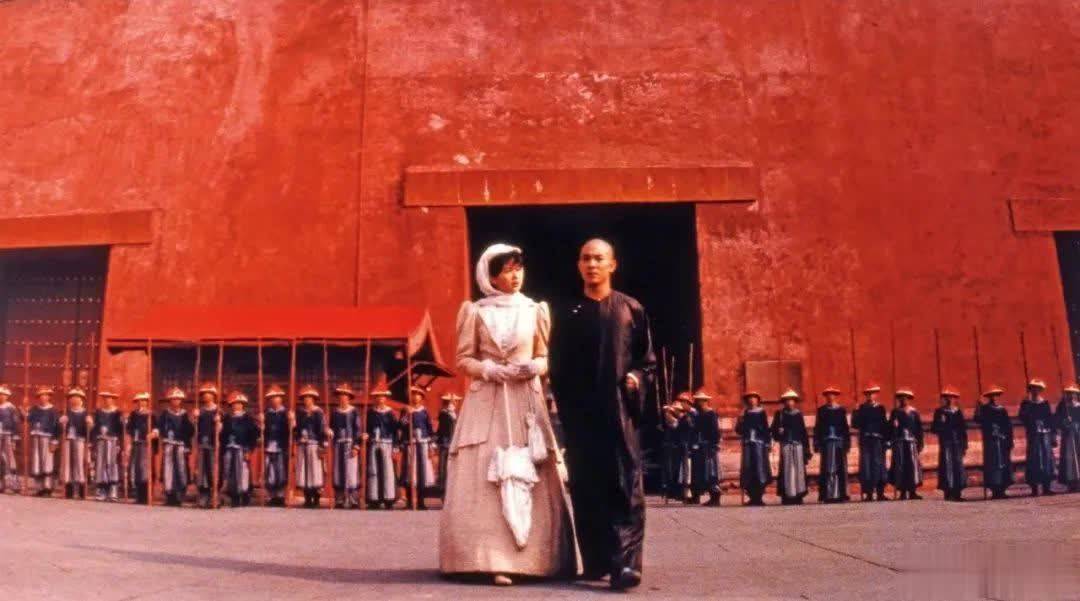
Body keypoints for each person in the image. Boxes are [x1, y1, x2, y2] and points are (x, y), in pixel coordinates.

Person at [441, 243, 578, 586]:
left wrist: (535, 367)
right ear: (492, 277)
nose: (515, 276)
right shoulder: (476, 311)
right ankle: (488, 558)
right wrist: (488, 369)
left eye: (519, 268)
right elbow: (463, 359)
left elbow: (544, 355)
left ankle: (540, 559)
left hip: (524, 399)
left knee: (532, 466)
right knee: (485, 474)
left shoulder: (534, 310)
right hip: (486, 400)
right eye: (507, 270)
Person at [550, 238, 655, 590]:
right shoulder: (567, 313)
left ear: (612, 265)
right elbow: (557, 367)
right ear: (578, 265)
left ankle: (625, 564)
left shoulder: (630, 309)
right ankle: (596, 561)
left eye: (598, 258)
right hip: (581, 415)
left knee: (625, 484)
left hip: (619, 412)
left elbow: (647, 361)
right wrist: (565, 410)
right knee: (586, 485)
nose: (591, 264)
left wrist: (635, 378)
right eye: (585, 258)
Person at [770, 388, 811, 505]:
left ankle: (799, 494)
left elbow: (803, 432)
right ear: (784, 402)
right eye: (787, 400)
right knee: (787, 470)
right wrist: (778, 431)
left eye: (791, 400)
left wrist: (806, 447)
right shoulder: (780, 414)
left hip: (797, 444)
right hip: (786, 444)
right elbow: (773, 430)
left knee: (799, 470)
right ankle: (787, 495)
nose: (789, 402)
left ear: (795, 401)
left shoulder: (798, 414)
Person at [851, 383, 890, 501]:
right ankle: (868, 493)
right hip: (866, 440)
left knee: (879, 465)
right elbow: (855, 425)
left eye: (872, 393)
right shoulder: (862, 408)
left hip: (878, 440)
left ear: (875, 395)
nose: (870, 396)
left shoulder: (880, 408)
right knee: (866, 466)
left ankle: (880, 492)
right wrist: (855, 412)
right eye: (868, 394)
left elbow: (884, 425)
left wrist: (887, 440)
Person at [155, 387, 193, 506]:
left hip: (181, 446)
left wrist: (188, 445)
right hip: (169, 445)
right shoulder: (165, 414)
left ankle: (180, 495)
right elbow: (159, 427)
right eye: (173, 399)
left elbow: (189, 432)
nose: (176, 401)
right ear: (170, 400)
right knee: (168, 470)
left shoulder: (185, 415)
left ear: (181, 401)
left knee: (181, 470)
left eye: (178, 399)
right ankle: (169, 495)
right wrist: (156, 431)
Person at [220, 392, 258, 507]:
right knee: (230, 472)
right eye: (234, 404)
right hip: (229, 448)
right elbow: (223, 436)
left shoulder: (247, 419)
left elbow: (253, 435)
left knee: (243, 472)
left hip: (242, 448)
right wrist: (219, 428)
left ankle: (245, 495)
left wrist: (249, 449)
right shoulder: (227, 418)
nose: (237, 406)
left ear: (243, 405)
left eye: (239, 403)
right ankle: (234, 497)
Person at [400, 386, 436, 510]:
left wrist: (431, 445)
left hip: (423, 443)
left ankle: (421, 501)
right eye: (413, 394)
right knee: (409, 472)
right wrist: (407, 415)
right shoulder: (406, 410)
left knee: (422, 472)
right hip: (410, 444)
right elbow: (401, 425)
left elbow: (430, 429)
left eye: (418, 394)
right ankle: (409, 501)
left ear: (421, 397)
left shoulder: (424, 411)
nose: (415, 397)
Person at [1018, 378, 1056, 496]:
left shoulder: (1045, 403)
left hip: (1045, 434)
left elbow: (1050, 419)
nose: (1036, 391)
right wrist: (1027, 408)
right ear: (1030, 390)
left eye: (1038, 389)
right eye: (1033, 388)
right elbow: (1022, 417)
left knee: (1046, 459)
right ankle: (1034, 488)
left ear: (1040, 390)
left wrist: (1053, 435)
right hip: (1033, 435)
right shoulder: (1026, 403)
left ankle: (1046, 487)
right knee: (1034, 459)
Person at [975, 386, 1013, 499]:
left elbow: (1008, 426)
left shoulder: (1002, 410)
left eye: (996, 395)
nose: (994, 397)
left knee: (1004, 465)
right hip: (991, 442)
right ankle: (995, 490)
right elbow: (978, 420)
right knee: (993, 466)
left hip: (1002, 441)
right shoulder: (985, 409)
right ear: (989, 397)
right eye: (992, 396)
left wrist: (1009, 440)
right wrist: (978, 407)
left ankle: (1003, 489)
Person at [814, 386, 851, 503]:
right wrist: (816, 442)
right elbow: (818, 428)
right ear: (826, 397)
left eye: (832, 395)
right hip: (827, 442)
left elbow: (845, 427)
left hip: (839, 442)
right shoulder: (821, 410)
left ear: (835, 396)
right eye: (828, 395)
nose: (830, 397)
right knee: (827, 467)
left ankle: (841, 494)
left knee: (840, 467)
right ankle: (828, 494)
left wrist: (847, 443)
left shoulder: (841, 410)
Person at [931, 386, 968, 502]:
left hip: (957, 443)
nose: (949, 399)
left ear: (954, 399)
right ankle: (948, 491)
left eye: (951, 397)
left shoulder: (958, 412)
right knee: (947, 466)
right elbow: (934, 429)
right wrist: (940, 423)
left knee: (958, 467)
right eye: (947, 397)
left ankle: (958, 492)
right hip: (946, 443)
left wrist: (964, 444)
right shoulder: (939, 412)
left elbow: (963, 429)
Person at [734, 390, 771, 506]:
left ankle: (759, 496)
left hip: (759, 444)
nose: (752, 400)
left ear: (757, 400)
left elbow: (766, 428)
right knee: (748, 468)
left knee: (759, 468)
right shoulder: (744, 413)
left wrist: (768, 442)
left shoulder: (761, 412)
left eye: (754, 398)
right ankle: (751, 495)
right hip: (748, 444)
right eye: (749, 398)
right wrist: (740, 422)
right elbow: (739, 431)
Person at [364, 387, 398, 509]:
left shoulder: (390, 413)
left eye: (382, 397)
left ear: (386, 398)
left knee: (387, 470)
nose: (380, 399)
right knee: (373, 470)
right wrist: (366, 435)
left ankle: (389, 499)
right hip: (374, 443)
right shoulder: (370, 413)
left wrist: (395, 446)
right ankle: (374, 499)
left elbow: (395, 431)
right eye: (378, 397)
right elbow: (367, 428)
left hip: (386, 442)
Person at [294, 385, 327, 508]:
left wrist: (322, 445)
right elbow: (296, 429)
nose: (307, 399)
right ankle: (307, 498)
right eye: (305, 397)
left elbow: (322, 429)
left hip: (314, 444)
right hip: (302, 444)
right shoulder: (300, 412)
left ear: (313, 399)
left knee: (315, 471)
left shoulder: (318, 412)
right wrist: (292, 424)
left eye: (309, 397)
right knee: (304, 471)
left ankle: (316, 498)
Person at [329, 383, 362, 509]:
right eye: (341, 395)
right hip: (338, 443)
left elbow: (357, 429)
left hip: (350, 443)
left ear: (349, 397)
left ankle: (353, 499)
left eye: (345, 395)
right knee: (338, 471)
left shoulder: (354, 412)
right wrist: (329, 431)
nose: (343, 397)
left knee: (351, 471)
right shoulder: (335, 412)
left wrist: (356, 446)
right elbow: (331, 427)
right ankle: (340, 498)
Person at [889, 388, 924, 500]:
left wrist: (920, 442)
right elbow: (890, 428)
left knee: (912, 466)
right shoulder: (895, 412)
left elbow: (919, 429)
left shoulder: (914, 412)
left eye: (905, 398)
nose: (903, 400)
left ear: (909, 399)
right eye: (901, 398)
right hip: (899, 442)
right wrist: (893, 425)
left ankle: (912, 491)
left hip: (911, 442)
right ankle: (902, 491)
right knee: (901, 466)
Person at [58, 387, 91, 499]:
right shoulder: (66, 412)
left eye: (77, 398)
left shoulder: (85, 413)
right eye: (72, 398)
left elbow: (90, 430)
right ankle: (69, 488)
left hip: (80, 440)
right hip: (68, 440)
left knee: (79, 463)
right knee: (67, 463)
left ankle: (81, 488)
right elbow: (59, 429)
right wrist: (62, 423)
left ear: (81, 400)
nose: (74, 400)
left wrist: (89, 424)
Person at [690, 390, 722, 506]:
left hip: (709, 446)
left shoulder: (711, 414)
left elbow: (715, 431)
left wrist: (714, 444)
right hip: (701, 446)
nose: (698, 403)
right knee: (704, 472)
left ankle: (715, 496)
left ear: (705, 401)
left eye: (700, 401)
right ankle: (709, 495)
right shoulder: (699, 415)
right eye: (698, 401)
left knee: (711, 471)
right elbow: (696, 430)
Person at [91, 389, 123, 502]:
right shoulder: (99, 412)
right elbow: (95, 428)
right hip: (101, 440)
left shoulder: (117, 413)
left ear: (113, 400)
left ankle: (113, 488)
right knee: (101, 464)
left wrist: (120, 443)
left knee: (112, 463)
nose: (107, 400)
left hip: (112, 440)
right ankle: (101, 489)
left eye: (109, 398)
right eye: (105, 398)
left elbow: (120, 430)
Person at [262, 385, 292, 506]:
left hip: (281, 445)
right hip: (269, 445)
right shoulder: (267, 413)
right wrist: (262, 425)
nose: (274, 400)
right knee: (270, 470)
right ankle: (272, 495)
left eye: (276, 397)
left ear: (281, 398)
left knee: (281, 470)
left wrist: (291, 422)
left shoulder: (286, 413)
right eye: (272, 398)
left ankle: (280, 495)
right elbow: (263, 430)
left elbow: (291, 430)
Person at [27, 386, 59, 497]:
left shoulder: (53, 411)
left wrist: (54, 441)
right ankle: (38, 487)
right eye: (41, 396)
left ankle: (47, 487)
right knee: (37, 461)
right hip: (36, 437)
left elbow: (56, 427)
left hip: (47, 438)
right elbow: (27, 418)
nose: (43, 398)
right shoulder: (34, 409)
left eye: (45, 395)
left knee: (47, 462)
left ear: (49, 397)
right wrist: (24, 411)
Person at [193, 382, 221, 509]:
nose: (206, 396)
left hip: (213, 444)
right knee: (202, 470)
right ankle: (203, 495)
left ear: (213, 395)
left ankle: (215, 495)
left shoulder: (218, 411)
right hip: (202, 444)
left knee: (213, 470)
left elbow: (224, 429)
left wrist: (219, 424)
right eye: (204, 394)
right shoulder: (200, 411)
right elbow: (195, 428)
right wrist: (195, 419)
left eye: (209, 394)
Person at [126, 392, 153, 504]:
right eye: (140, 401)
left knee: (145, 469)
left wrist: (153, 433)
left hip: (146, 444)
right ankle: (138, 495)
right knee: (136, 469)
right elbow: (129, 428)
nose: (141, 403)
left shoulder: (151, 415)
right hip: (136, 443)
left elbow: (156, 427)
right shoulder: (134, 414)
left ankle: (146, 495)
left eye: (144, 400)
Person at [435, 392, 460, 498]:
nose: (454, 404)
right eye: (451, 402)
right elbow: (443, 429)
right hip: (445, 444)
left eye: (454, 402)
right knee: (443, 468)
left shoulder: (455, 415)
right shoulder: (444, 414)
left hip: (454, 443)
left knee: (453, 468)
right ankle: (443, 492)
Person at [1057, 383, 1080, 492]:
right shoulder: (1063, 407)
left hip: (1078, 434)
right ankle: (1070, 482)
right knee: (1069, 459)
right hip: (1068, 436)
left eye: (1073, 393)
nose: (1071, 395)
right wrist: (1065, 422)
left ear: (1076, 394)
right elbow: (1057, 420)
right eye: (1069, 393)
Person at [0, 385, 22, 494]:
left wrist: (14, 438)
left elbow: (16, 423)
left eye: (3, 395)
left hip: (7, 435)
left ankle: (12, 484)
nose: (1, 397)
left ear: (7, 396)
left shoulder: (11, 408)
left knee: (9, 459)